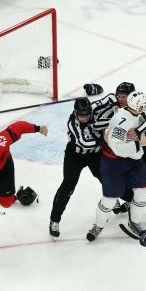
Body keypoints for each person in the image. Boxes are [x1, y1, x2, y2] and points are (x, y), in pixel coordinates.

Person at [91, 82, 146, 224]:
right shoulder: (116, 112)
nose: (122, 99)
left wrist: (139, 130)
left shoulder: (141, 107)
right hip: (123, 152)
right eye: (119, 96)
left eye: (125, 96)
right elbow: (103, 127)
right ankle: (130, 202)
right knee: (125, 181)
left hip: (144, 148)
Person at [86, 91, 146, 241]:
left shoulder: (139, 112)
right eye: (142, 106)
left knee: (143, 193)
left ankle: (135, 223)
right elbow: (117, 148)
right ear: (135, 106)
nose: (145, 108)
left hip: (134, 159)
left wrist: (139, 135)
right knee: (110, 199)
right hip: (113, 162)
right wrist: (140, 143)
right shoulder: (120, 120)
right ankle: (98, 225)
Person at [49, 97, 104, 239]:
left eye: (87, 114)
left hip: (95, 155)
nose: (84, 118)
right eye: (81, 115)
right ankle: (54, 220)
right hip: (75, 156)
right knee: (68, 186)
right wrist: (104, 139)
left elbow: (109, 99)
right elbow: (84, 142)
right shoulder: (72, 122)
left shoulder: (96, 113)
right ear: (75, 112)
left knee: (106, 178)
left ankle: (112, 201)